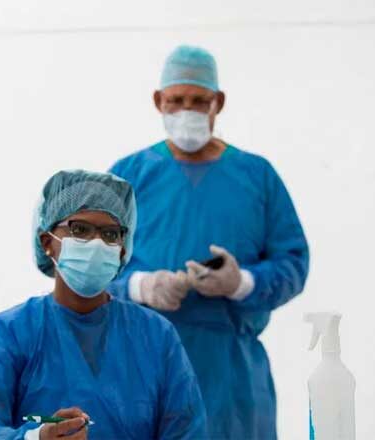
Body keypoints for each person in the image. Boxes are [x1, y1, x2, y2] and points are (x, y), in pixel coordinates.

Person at [108, 45, 309, 439]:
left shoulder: (257, 177)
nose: (187, 111)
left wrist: (242, 283)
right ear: (158, 101)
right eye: (176, 100)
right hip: (145, 370)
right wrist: (141, 286)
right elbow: (91, 268)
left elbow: (293, 261)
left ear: (219, 102)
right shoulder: (129, 176)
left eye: (199, 101)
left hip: (232, 377)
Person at [0, 170, 207, 439]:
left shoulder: (156, 336)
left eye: (110, 234)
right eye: (80, 230)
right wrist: (36, 437)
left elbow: (187, 431)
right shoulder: (9, 333)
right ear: (47, 242)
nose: (97, 243)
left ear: (122, 249)